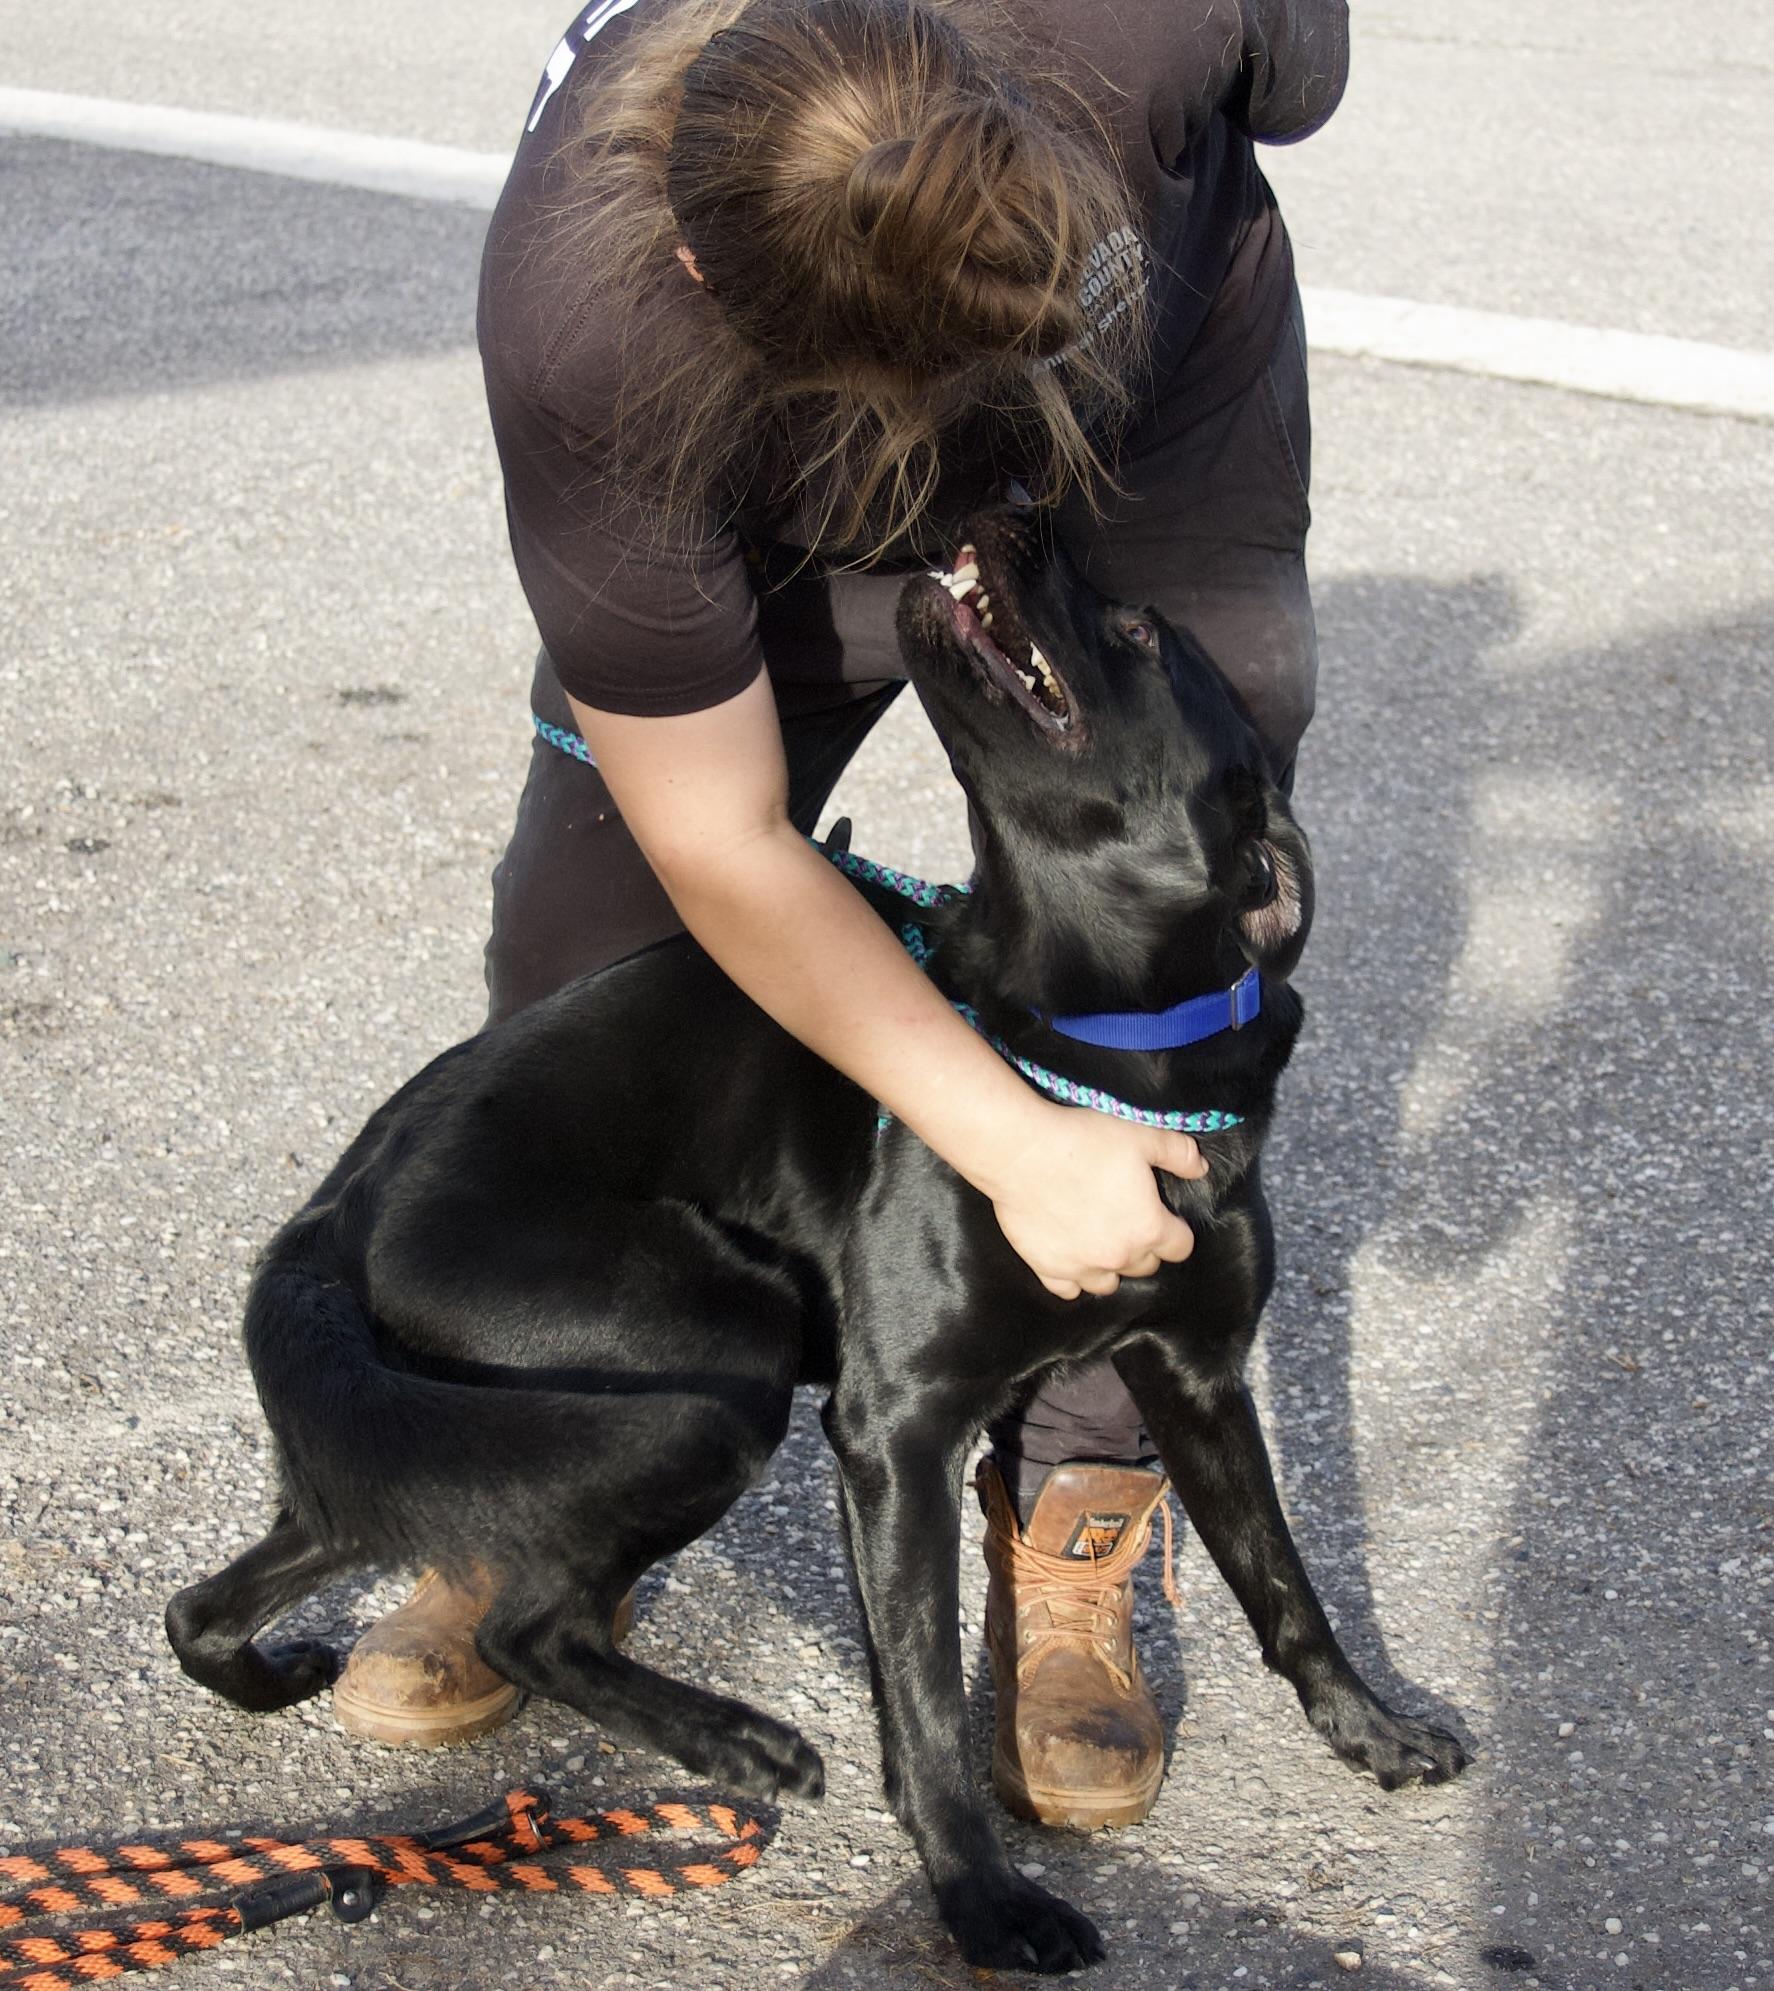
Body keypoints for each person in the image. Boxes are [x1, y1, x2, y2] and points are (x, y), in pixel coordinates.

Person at [330, 0, 1348, 1830]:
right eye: (902, 398)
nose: (941, 450)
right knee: (588, 944)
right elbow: (719, 839)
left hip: (1146, 419)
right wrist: (1006, 1141)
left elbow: (1301, 79)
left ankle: (1073, 1492)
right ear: (701, 261)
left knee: (1163, 942)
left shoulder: (1140, 23)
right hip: (751, 481)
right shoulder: (591, 320)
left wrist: (1076, 1131)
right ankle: (537, 1469)